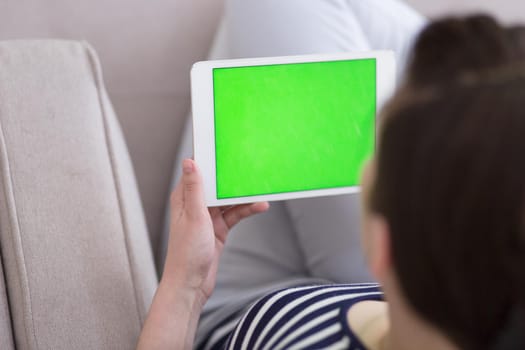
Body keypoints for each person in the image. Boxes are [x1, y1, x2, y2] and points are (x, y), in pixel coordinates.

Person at [137, 15, 525, 350]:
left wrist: (184, 288)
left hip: (248, 311)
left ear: (381, 244)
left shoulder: (286, 327)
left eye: (373, 160)